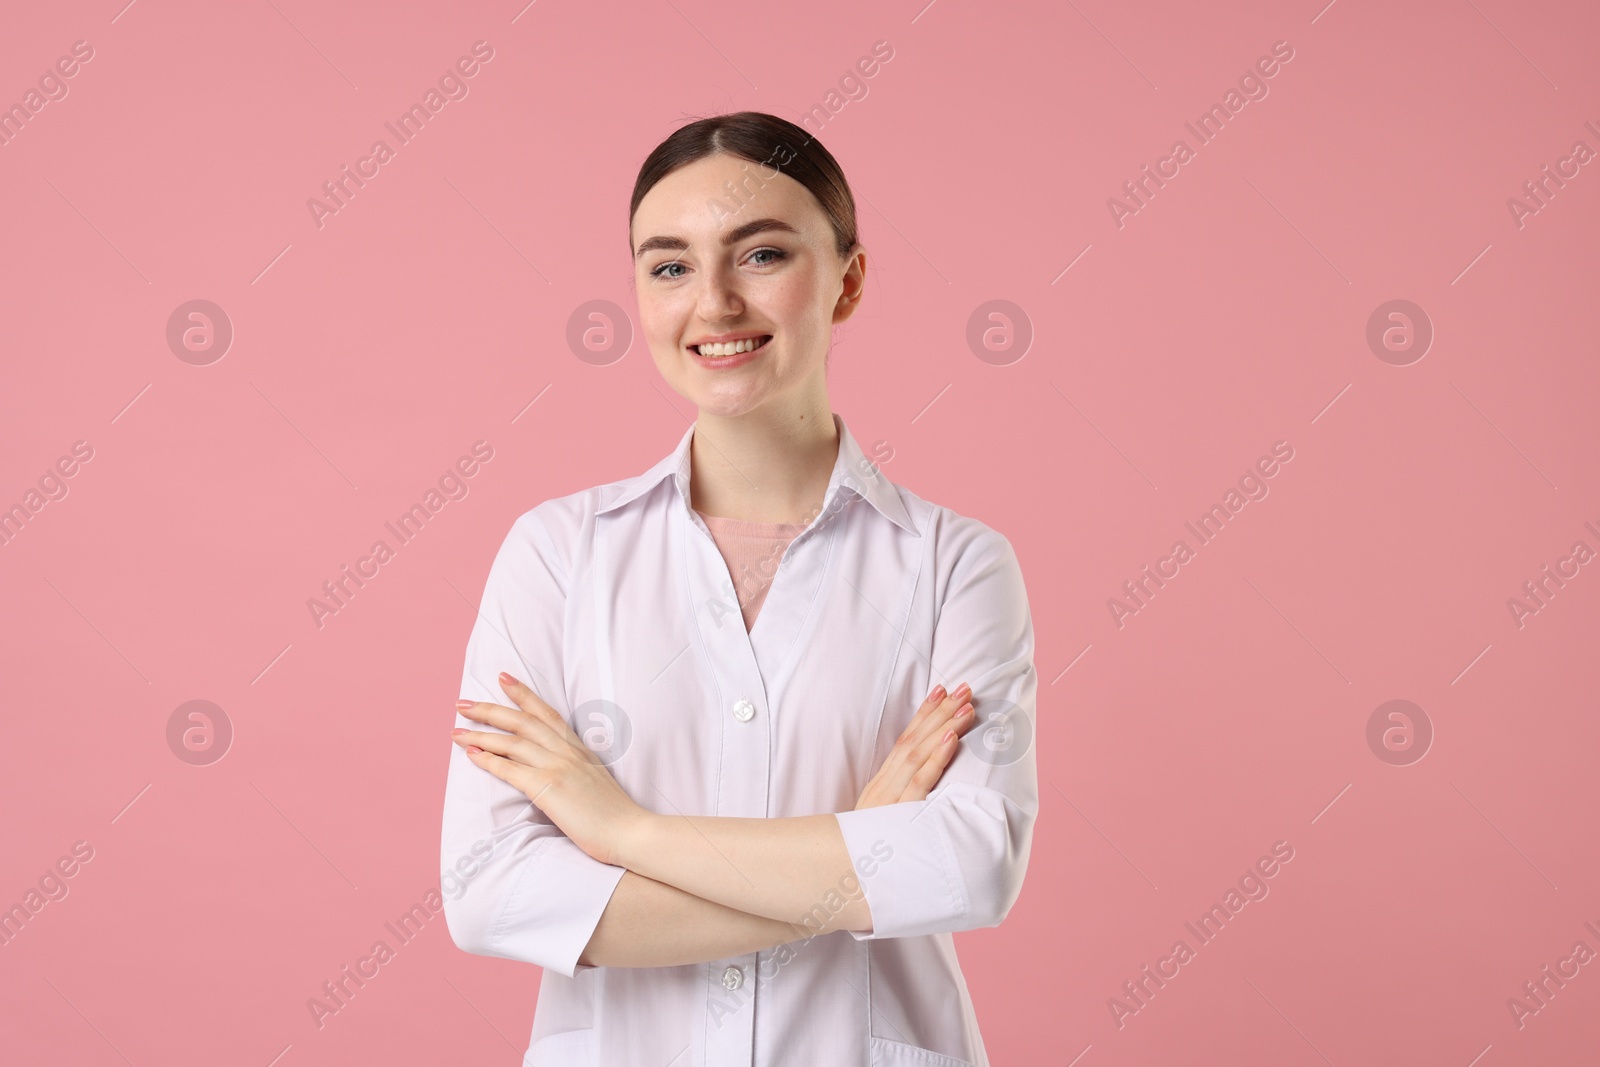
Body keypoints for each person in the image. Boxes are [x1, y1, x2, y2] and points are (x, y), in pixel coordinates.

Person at [440, 111, 1038, 1067]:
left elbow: (967, 867)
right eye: (669, 265)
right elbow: (492, 891)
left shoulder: (956, 564)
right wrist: (861, 854)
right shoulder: (557, 553)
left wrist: (619, 829)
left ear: (847, 280)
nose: (713, 302)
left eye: (760, 254)